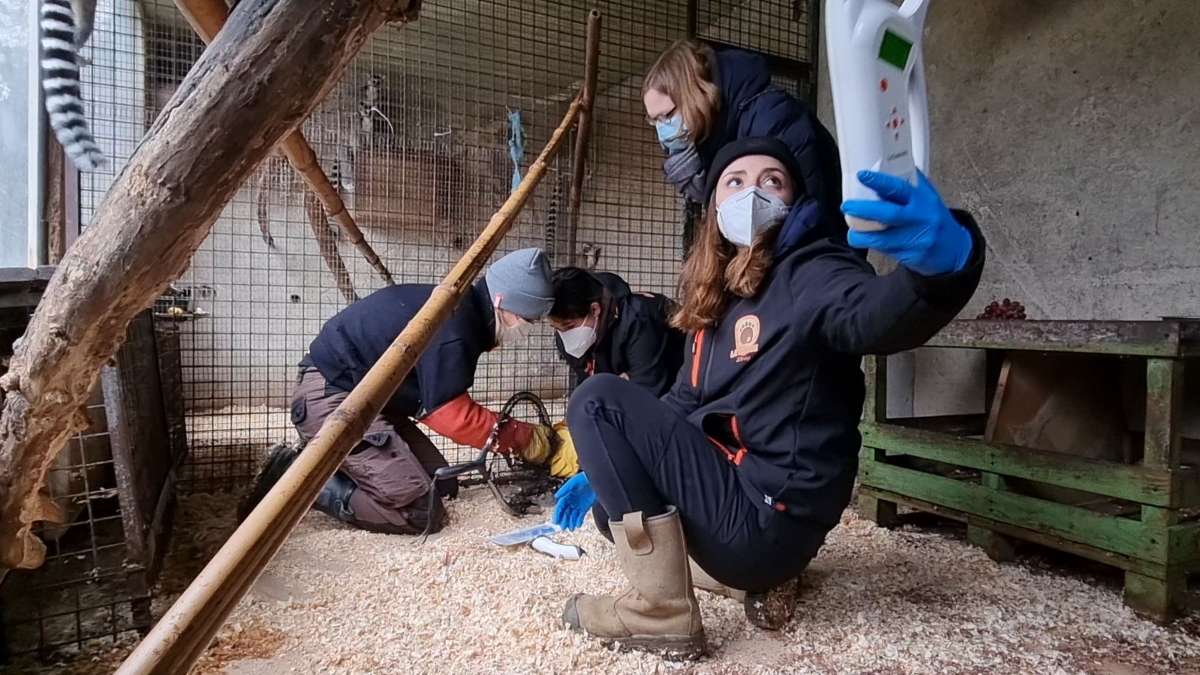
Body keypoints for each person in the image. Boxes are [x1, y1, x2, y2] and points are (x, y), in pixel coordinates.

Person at [550, 138, 984, 659]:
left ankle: (662, 613)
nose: (752, 191)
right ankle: (746, 584)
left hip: (770, 515)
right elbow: (686, 398)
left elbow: (870, 314)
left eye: (771, 180)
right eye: (735, 181)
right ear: (713, 208)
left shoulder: (812, 270)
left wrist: (944, 267)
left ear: (793, 201)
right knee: (610, 510)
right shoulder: (717, 298)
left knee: (596, 400)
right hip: (744, 503)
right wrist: (606, 460)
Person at [243, 248, 562, 536]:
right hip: (333, 397)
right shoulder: (457, 325)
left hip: (370, 402)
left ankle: (342, 465)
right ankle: (296, 480)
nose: (526, 329)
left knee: (444, 483)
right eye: (527, 319)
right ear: (501, 303)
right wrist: (523, 438)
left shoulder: (461, 310)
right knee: (421, 511)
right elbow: (452, 417)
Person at [642, 39, 848, 248]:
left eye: (668, 115)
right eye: (654, 120)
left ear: (695, 95)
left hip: (823, 249)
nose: (662, 129)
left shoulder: (769, 118)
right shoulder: (713, 136)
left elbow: (812, 209)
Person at [548, 267, 685, 399]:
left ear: (595, 309)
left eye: (570, 326)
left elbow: (647, 392)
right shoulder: (572, 335)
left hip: (682, 395)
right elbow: (586, 387)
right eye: (557, 328)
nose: (565, 335)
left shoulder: (638, 320)